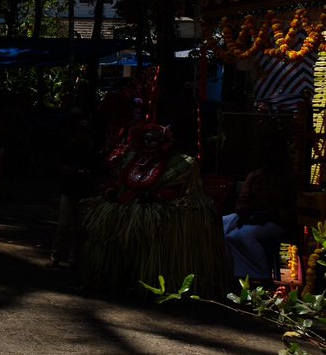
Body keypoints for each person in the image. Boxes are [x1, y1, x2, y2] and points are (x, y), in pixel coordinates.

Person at [81, 122, 229, 296]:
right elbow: (117, 181)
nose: (150, 144)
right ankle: (109, 277)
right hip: (123, 207)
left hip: (153, 212)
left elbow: (182, 192)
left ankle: (146, 281)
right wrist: (111, 190)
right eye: (146, 140)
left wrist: (157, 197)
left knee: (147, 233)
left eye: (154, 141)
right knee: (107, 232)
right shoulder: (130, 157)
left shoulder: (182, 164)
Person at [223, 143, 297, 282]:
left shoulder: (287, 179)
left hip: (277, 222)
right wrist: (244, 213)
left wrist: (267, 216)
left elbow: (290, 209)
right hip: (252, 216)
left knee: (239, 235)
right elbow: (243, 199)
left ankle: (260, 274)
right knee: (220, 224)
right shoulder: (256, 176)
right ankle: (231, 269)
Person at [49, 111, 96, 268]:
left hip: (84, 192)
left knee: (79, 227)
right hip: (69, 191)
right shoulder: (69, 149)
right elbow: (60, 167)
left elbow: (96, 170)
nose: (82, 135)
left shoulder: (91, 152)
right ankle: (56, 255)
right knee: (63, 225)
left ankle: (73, 256)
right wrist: (73, 171)